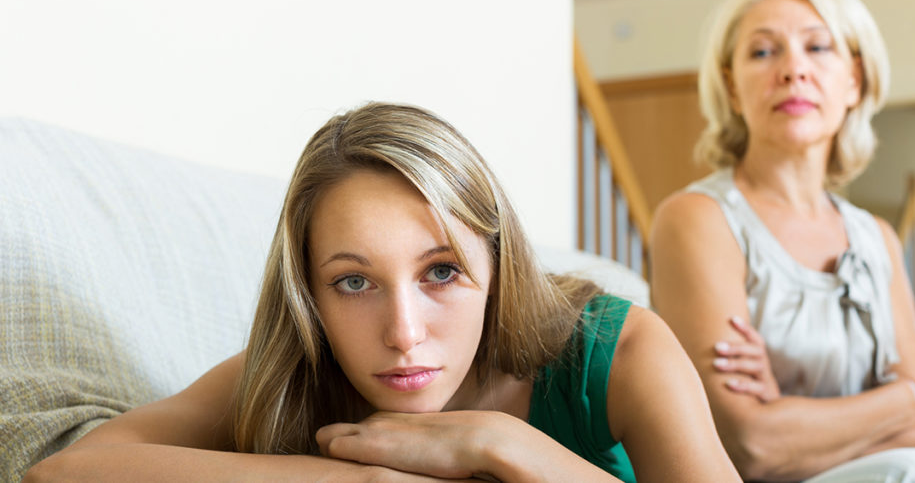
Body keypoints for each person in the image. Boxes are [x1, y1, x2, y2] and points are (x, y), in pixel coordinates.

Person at [25, 102, 740, 482]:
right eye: (354, 282)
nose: (403, 333)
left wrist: (508, 447)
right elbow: (67, 473)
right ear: (310, 296)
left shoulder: (619, 349)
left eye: (441, 272)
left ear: (498, 267)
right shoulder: (298, 371)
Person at [649, 0, 915, 482]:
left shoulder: (877, 238)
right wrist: (903, 398)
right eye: (763, 51)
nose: (793, 70)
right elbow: (750, 444)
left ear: (854, 80)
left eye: (818, 47)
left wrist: (790, 417)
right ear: (733, 88)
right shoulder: (697, 218)